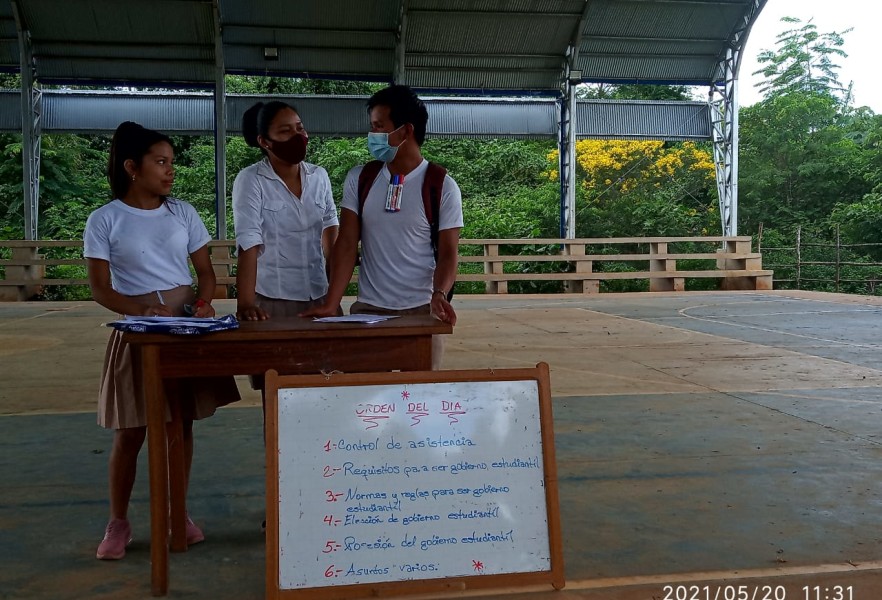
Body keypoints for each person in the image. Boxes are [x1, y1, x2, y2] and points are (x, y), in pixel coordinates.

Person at [84, 121, 240, 560]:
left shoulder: (183, 213)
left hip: (186, 331)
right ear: (133, 167)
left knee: (180, 424)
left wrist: (205, 301)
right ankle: (118, 522)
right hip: (138, 335)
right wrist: (140, 311)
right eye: (161, 162)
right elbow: (101, 289)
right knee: (131, 431)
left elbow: (205, 273)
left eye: (171, 162)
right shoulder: (105, 219)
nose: (170, 171)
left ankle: (178, 513)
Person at [302, 85, 462, 369]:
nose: (372, 135)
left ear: (405, 130)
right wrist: (331, 302)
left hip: (422, 312)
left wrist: (439, 294)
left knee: (419, 402)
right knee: (369, 402)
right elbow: (347, 244)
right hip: (369, 311)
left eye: (379, 126)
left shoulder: (441, 186)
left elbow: (449, 253)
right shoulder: (360, 179)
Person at [232, 101, 339, 323]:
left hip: (319, 294)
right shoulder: (251, 179)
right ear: (264, 141)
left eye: (299, 128)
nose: (297, 136)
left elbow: (330, 232)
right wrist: (246, 304)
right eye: (285, 131)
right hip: (272, 300)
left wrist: (334, 298)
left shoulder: (319, 176)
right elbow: (248, 244)